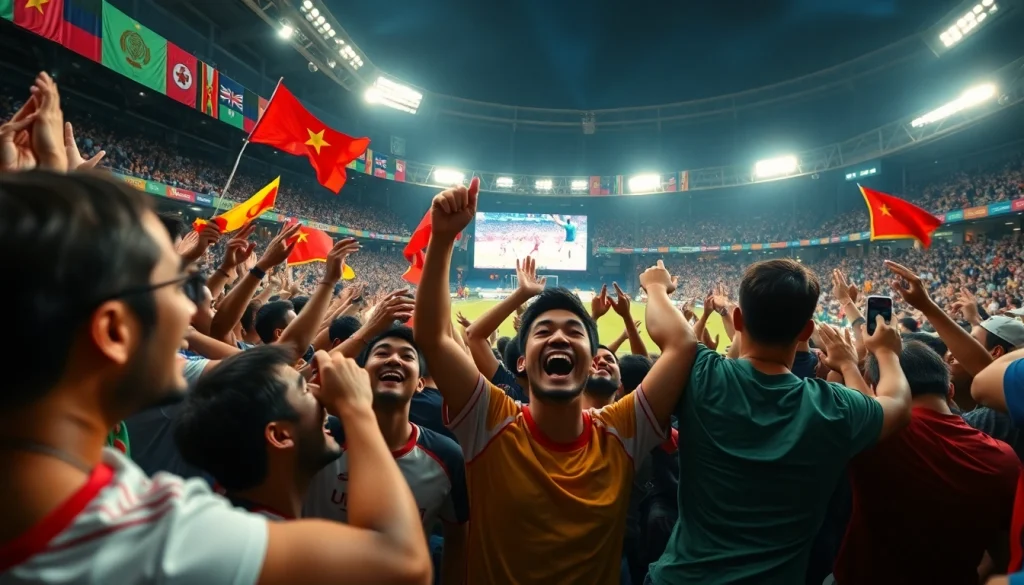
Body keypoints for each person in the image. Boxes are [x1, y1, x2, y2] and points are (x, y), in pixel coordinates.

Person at [0, 171, 431, 584]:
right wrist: (357, 410)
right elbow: (401, 562)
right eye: (180, 286)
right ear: (115, 331)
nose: (192, 312)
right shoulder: (151, 540)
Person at [414, 178, 697, 584]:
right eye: (543, 331)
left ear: (592, 360)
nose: (560, 337)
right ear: (522, 361)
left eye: (574, 331)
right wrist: (442, 240)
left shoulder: (621, 431)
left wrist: (655, 288)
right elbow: (433, 337)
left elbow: (682, 346)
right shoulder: (490, 420)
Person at [648, 259, 912, 584]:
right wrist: (886, 352)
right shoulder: (833, 407)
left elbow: (672, 333)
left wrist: (656, 287)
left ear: (738, 319)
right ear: (806, 331)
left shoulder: (703, 374)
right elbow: (898, 405)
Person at [833, 340, 1020, 585]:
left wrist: (847, 366)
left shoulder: (879, 437)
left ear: (878, 389)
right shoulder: (1004, 458)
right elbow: (1004, 553)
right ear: (950, 390)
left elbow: (868, 411)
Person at [305, 326, 469, 584]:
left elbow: (458, 541)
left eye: (407, 356)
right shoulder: (321, 434)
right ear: (360, 375)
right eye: (382, 353)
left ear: (420, 384)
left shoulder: (448, 457)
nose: (394, 359)